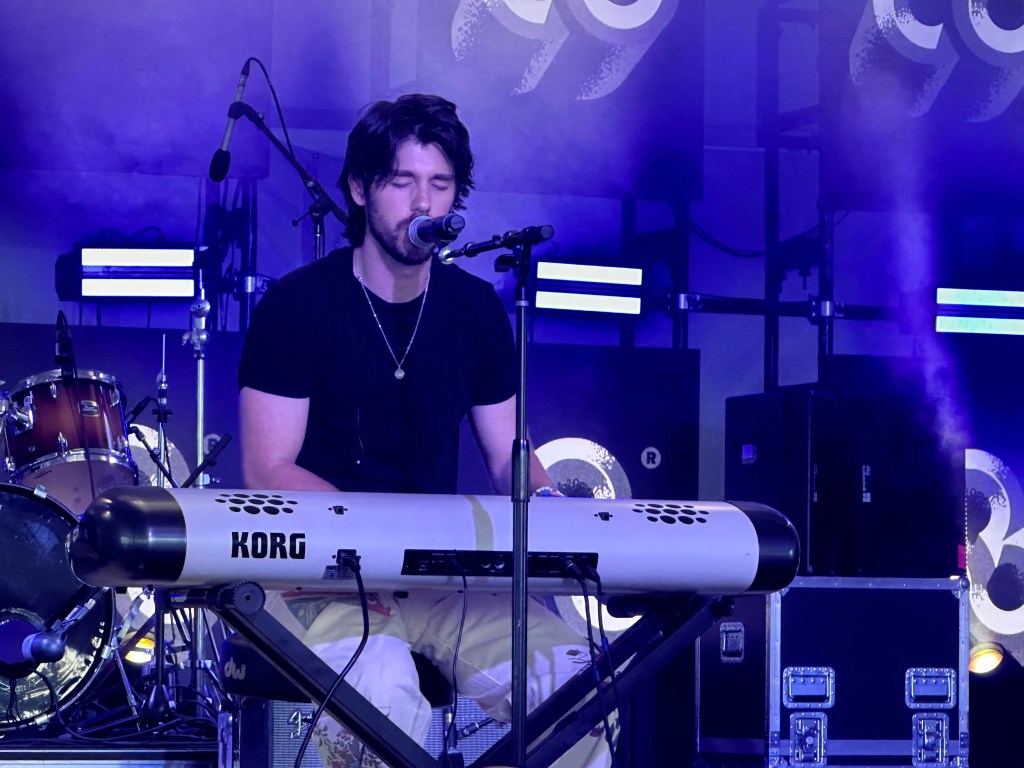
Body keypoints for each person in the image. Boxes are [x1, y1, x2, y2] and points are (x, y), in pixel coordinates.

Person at [238, 93, 612, 768]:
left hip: (439, 576)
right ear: (360, 189)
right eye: (403, 183)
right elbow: (268, 469)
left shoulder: (472, 308)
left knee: (575, 681)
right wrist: (376, 533)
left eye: (439, 185)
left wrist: (553, 514)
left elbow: (509, 454)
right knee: (381, 692)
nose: (423, 205)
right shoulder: (297, 307)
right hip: (321, 574)